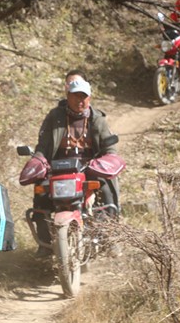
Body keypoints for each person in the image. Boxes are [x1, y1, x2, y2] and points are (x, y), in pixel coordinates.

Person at [29, 74, 120, 256]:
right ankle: (44, 243)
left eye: (83, 96)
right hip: (57, 168)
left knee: (107, 190)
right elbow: (43, 145)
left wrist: (107, 159)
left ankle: (108, 238)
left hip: (90, 168)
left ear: (89, 98)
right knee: (40, 193)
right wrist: (38, 160)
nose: (80, 100)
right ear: (67, 96)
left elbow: (109, 147)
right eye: (75, 95)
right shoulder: (55, 117)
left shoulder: (98, 119)